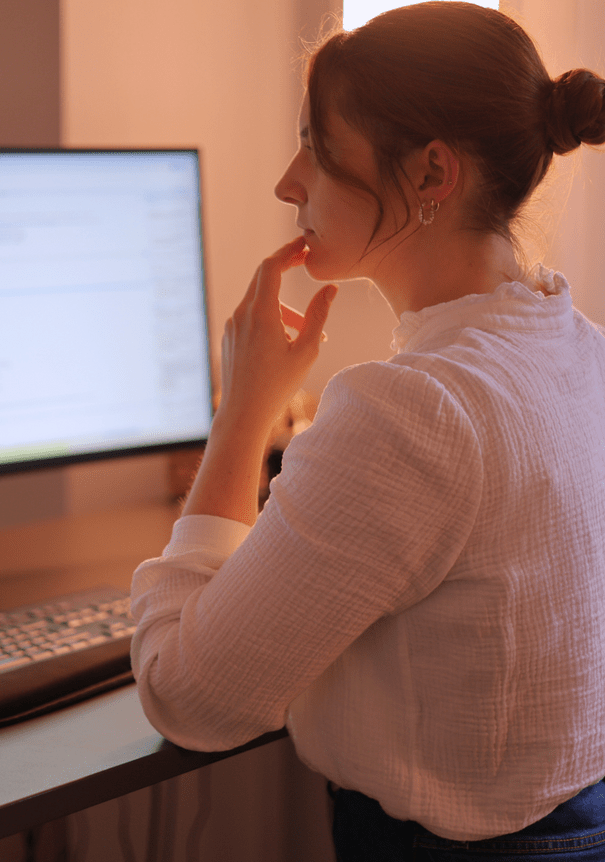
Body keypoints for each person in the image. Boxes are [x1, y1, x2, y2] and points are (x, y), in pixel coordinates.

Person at [130, 2, 605, 858]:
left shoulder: (416, 413)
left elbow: (187, 698)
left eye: (316, 143)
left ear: (431, 174)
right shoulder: (582, 353)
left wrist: (241, 412)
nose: (287, 181)